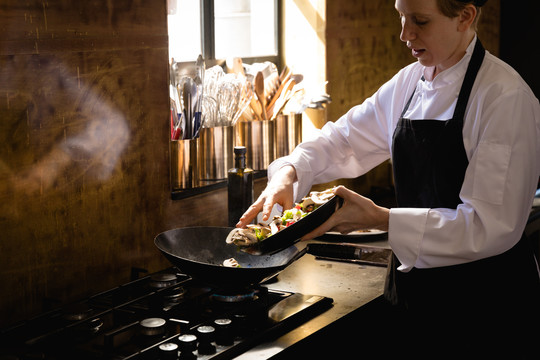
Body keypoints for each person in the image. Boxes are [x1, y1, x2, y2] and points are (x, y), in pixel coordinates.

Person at [237, 0, 540, 357]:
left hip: (487, 309)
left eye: (420, 21)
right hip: (415, 298)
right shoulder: (409, 84)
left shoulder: (504, 97)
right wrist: (289, 172)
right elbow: (342, 139)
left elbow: (487, 226)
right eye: (401, 16)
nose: (404, 34)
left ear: (465, 16)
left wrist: (379, 218)